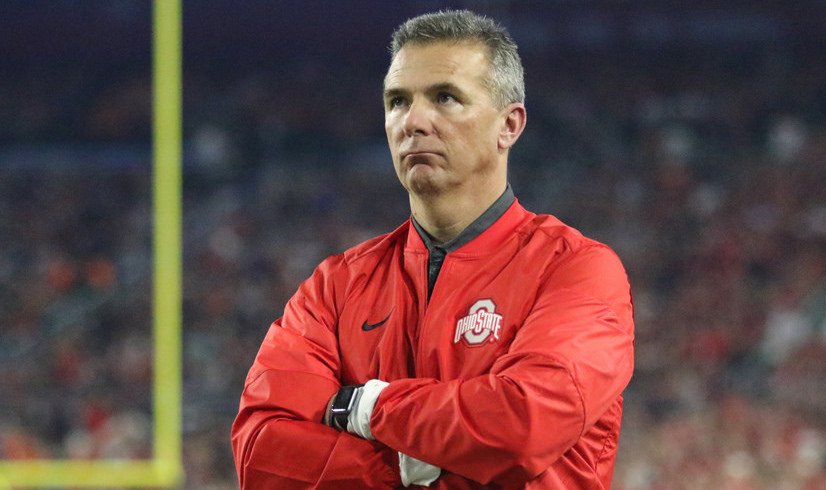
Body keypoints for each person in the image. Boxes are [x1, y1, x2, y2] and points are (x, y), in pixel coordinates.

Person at [232, 9, 634, 489]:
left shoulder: (577, 269)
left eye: (446, 97)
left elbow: (520, 425)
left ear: (509, 125)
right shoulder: (334, 286)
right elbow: (261, 454)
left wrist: (364, 406)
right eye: (398, 101)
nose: (414, 120)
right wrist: (402, 469)